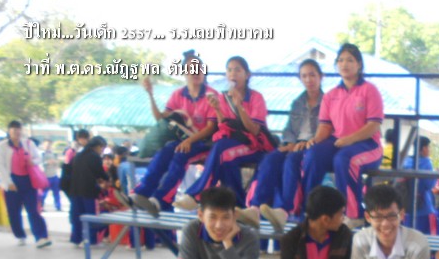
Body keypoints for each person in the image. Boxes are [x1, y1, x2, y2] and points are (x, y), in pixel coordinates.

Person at [301, 43, 384, 227]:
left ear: (359, 64)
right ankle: (308, 211)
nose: (344, 64)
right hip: (339, 143)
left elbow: (373, 125)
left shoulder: (370, 90)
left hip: (368, 145)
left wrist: (349, 139)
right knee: (312, 155)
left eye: (350, 60)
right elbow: (325, 127)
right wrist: (315, 140)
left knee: (344, 159)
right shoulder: (331, 95)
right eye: (340, 60)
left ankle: (354, 215)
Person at [176, 56, 273, 210]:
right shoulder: (223, 97)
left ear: (247, 75)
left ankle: (197, 193)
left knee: (222, 151)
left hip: (255, 146)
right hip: (233, 144)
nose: (233, 73)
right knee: (227, 161)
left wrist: (239, 106)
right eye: (229, 70)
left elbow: (254, 130)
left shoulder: (256, 97)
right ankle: (238, 206)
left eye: (237, 70)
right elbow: (224, 126)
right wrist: (217, 109)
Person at [130, 52, 219, 216]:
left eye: (199, 68)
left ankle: (162, 199)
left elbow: (211, 128)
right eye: (191, 69)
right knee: (164, 152)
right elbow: (161, 118)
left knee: (180, 154)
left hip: (205, 143)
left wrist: (189, 141)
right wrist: (150, 95)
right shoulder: (178, 94)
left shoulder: (211, 95)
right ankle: (141, 193)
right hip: (184, 141)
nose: (196, 72)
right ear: (184, 72)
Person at [242, 59, 323, 231]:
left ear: (320, 77)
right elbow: (289, 128)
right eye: (304, 76)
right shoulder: (298, 102)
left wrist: (306, 143)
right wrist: (289, 143)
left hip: (314, 146)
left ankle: (285, 209)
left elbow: (327, 129)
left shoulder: (327, 101)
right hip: (294, 144)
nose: (308, 80)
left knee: (291, 161)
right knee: (271, 159)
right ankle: (255, 207)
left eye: (312, 75)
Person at [0, 120, 51, 247]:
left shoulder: (28, 143)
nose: (17, 132)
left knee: (33, 210)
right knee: (14, 212)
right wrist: (8, 182)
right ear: (9, 131)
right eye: (14, 130)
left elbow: (38, 157)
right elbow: (0, 166)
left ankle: (41, 237)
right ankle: (20, 235)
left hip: (28, 181)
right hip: (12, 181)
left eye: (19, 129)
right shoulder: (2, 146)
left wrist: (33, 162)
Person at [67, 136, 107, 246]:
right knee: (90, 216)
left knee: (77, 215)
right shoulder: (94, 157)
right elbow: (100, 173)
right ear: (97, 146)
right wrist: (107, 179)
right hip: (88, 191)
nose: (102, 151)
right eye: (102, 148)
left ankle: (76, 239)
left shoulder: (78, 155)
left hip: (74, 190)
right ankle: (91, 240)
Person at [401, 136, 439, 234]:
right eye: (429, 147)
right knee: (423, 236)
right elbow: (430, 184)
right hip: (423, 206)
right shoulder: (426, 163)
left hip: (406, 206)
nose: (429, 150)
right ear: (423, 148)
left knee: (408, 235)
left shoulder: (406, 161)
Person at [40, 139, 62, 211]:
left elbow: (57, 165)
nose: (48, 146)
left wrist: (55, 162)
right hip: (45, 176)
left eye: (49, 145)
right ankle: (41, 206)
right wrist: (47, 163)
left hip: (54, 175)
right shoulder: (41, 154)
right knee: (44, 193)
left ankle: (58, 206)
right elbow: (39, 165)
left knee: (56, 193)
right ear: (43, 145)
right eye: (46, 145)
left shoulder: (54, 154)